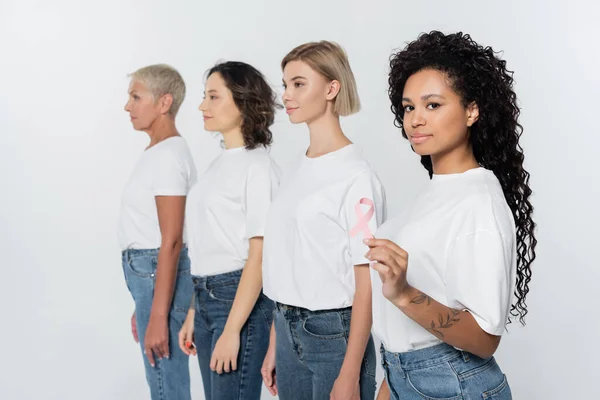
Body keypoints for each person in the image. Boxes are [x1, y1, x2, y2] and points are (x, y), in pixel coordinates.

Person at [367, 31, 537, 400]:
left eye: (433, 105)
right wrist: (391, 381)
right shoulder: (437, 192)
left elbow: (483, 338)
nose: (415, 119)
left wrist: (403, 293)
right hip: (405, 377)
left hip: (453, 384)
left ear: (471, 110)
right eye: (409, 107)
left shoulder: (479, 202)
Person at [261, 41, 386, 400]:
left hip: (334, 336)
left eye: (299, 84)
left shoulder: (356, 176)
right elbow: (286, 261)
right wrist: (276, 343)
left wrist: (349, 376)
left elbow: (368, 285)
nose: (286, 95)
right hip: (286, 328)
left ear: (332, 88)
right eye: (285, 84)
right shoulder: (296, 167)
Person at [177, 61, 281, 399]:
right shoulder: (219, 164)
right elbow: (210, 242)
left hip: (238, 300)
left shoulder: (259, 167)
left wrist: (232, 328)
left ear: (243, 101)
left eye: (213, 96)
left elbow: (260, 255)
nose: (202, 106)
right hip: (207, 296)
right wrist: (195, 308)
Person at [120, 64, 197, 400]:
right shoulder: (159, 152)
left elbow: (172, 239)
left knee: (167, 385)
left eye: (136, 97)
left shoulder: (167, 156)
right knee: (163, 383)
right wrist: (145, 306)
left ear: (164, 102)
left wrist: (157, 315)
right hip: (151, 280)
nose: (127, 106)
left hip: (157, 272)